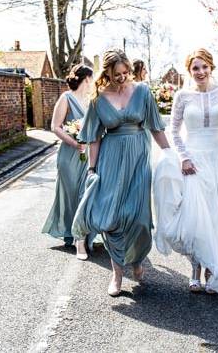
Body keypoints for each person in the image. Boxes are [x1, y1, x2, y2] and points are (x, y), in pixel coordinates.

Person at [154, 48, 218, 295]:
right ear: (189, 71)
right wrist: (183, 158)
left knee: (216, 216)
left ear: (211, 67)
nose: (200, 72)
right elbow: (175, 131)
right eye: (195, 68)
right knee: (195, 218)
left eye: (204, 67)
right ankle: (195, 271)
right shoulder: (182, 96)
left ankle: (213, 271)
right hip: (193, 161)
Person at [72, 49, 170, 296]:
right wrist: (92, 168)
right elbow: (93, 137)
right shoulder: (98, 99)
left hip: (138, 157)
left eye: (126, 72)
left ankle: (136, 261)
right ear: (107, 73)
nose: (123, 78)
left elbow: (156, 127)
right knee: (112, 220)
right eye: (117, 74)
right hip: (110, 159)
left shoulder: (143, 92)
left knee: (137, 218)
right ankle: (116, 276)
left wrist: (171, 154)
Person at [42, 64, 93, 259]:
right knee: (72, 195)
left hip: (87, 155)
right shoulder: (66, 98)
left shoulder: (90, 101)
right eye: (91, 78)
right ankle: (74, 236)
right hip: (69, 156)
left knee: (85, 194)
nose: (92, 82)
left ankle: (82, 238)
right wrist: (74, 142)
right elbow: (55, 126)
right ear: (86, 79)